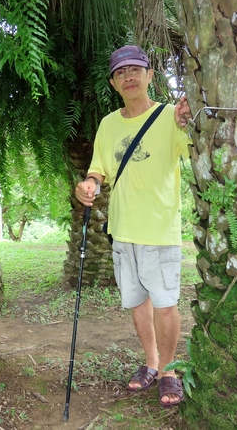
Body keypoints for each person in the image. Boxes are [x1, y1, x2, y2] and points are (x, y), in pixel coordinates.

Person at [74, 45, 191, 408]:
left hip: (159, 230)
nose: (128, 77)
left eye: (135, 69)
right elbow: (99, 170)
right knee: (137, 302)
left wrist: (191, 121)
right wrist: (88, 184)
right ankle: (152, 363)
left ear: (149, 76)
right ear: (113, 83)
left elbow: (194, 150)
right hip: (122, 231)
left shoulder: (171, 116)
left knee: (165, 304)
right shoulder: (108, 125)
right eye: (120, 72)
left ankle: (169, 371)